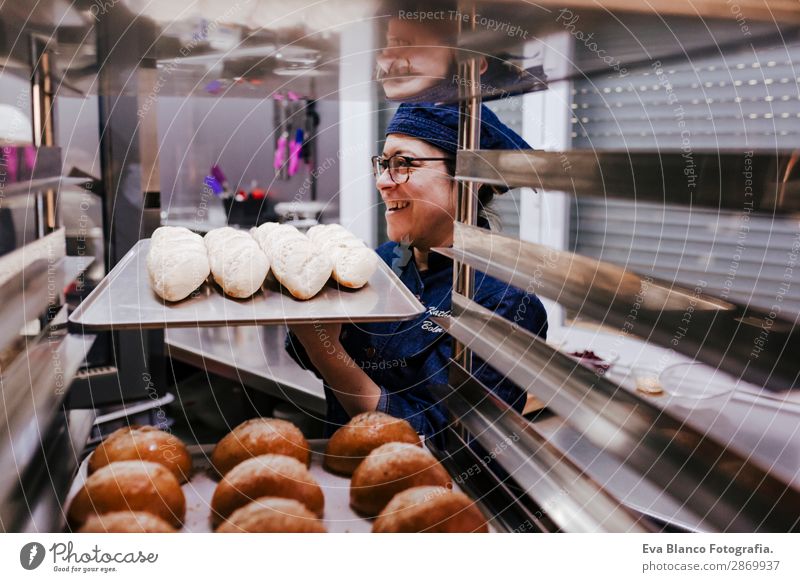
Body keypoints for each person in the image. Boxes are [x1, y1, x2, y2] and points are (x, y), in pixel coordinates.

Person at [286, 102, 548, 439]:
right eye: (383, 164)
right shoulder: (380, 264)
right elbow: (302, 353)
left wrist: (327, 351)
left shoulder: (505, 305)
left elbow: (446, 443)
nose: (382, 182)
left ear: (469, 181)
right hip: (346, 474)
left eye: (403, 164)